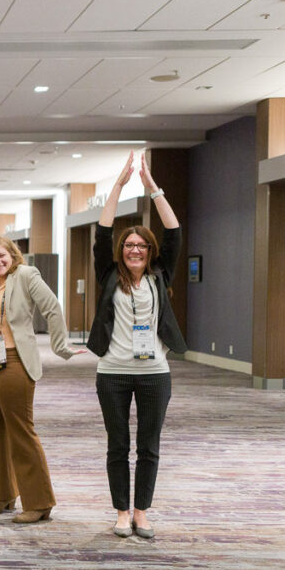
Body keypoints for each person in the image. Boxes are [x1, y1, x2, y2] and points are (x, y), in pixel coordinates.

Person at [0, 211, 86, 524]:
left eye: (2, 255)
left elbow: (52, 308)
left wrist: (60, 346)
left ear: (12, 256)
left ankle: (39, 502)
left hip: (13, 362)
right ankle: (4, 497)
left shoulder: (26, 275)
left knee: (21, 431)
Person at [91, 152, 185, 539]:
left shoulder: (160, 276)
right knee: (118, 446)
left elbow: (174, 232)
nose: (134, 250)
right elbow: (101, 231)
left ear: (149, 253)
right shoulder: (108, 273)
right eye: (128, 245)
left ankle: (142, 512)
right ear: (121, 250)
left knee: (148, 446)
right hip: (112, 372)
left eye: (141, 246)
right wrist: (117, 185)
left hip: (154, 374)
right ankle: (120, 512)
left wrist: (152, 188)